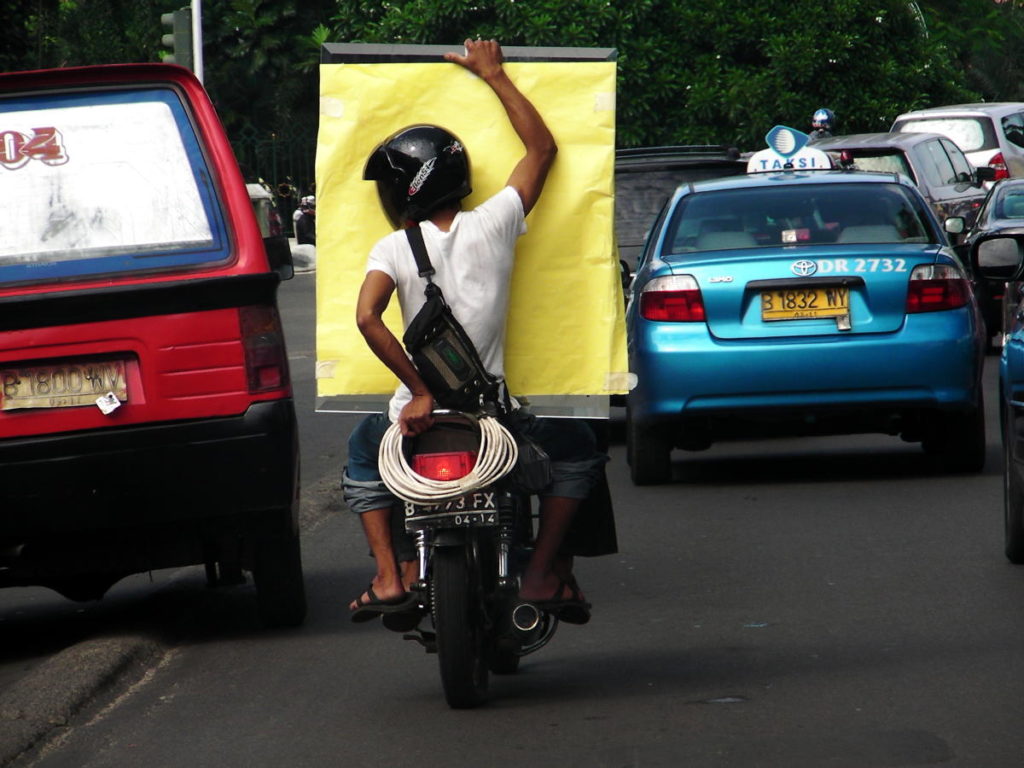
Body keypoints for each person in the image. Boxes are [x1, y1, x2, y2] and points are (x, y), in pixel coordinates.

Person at [341, 38, 604, 624]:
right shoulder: (496, 223)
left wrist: (420, 393)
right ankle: (540, 573)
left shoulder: (391, 246)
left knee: (362, 453)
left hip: (416, 418)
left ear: (399, 192)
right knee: (579, 449)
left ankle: (389, 576)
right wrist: (494, 74)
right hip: (494, 417)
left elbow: (366, 318)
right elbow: (542, 148)